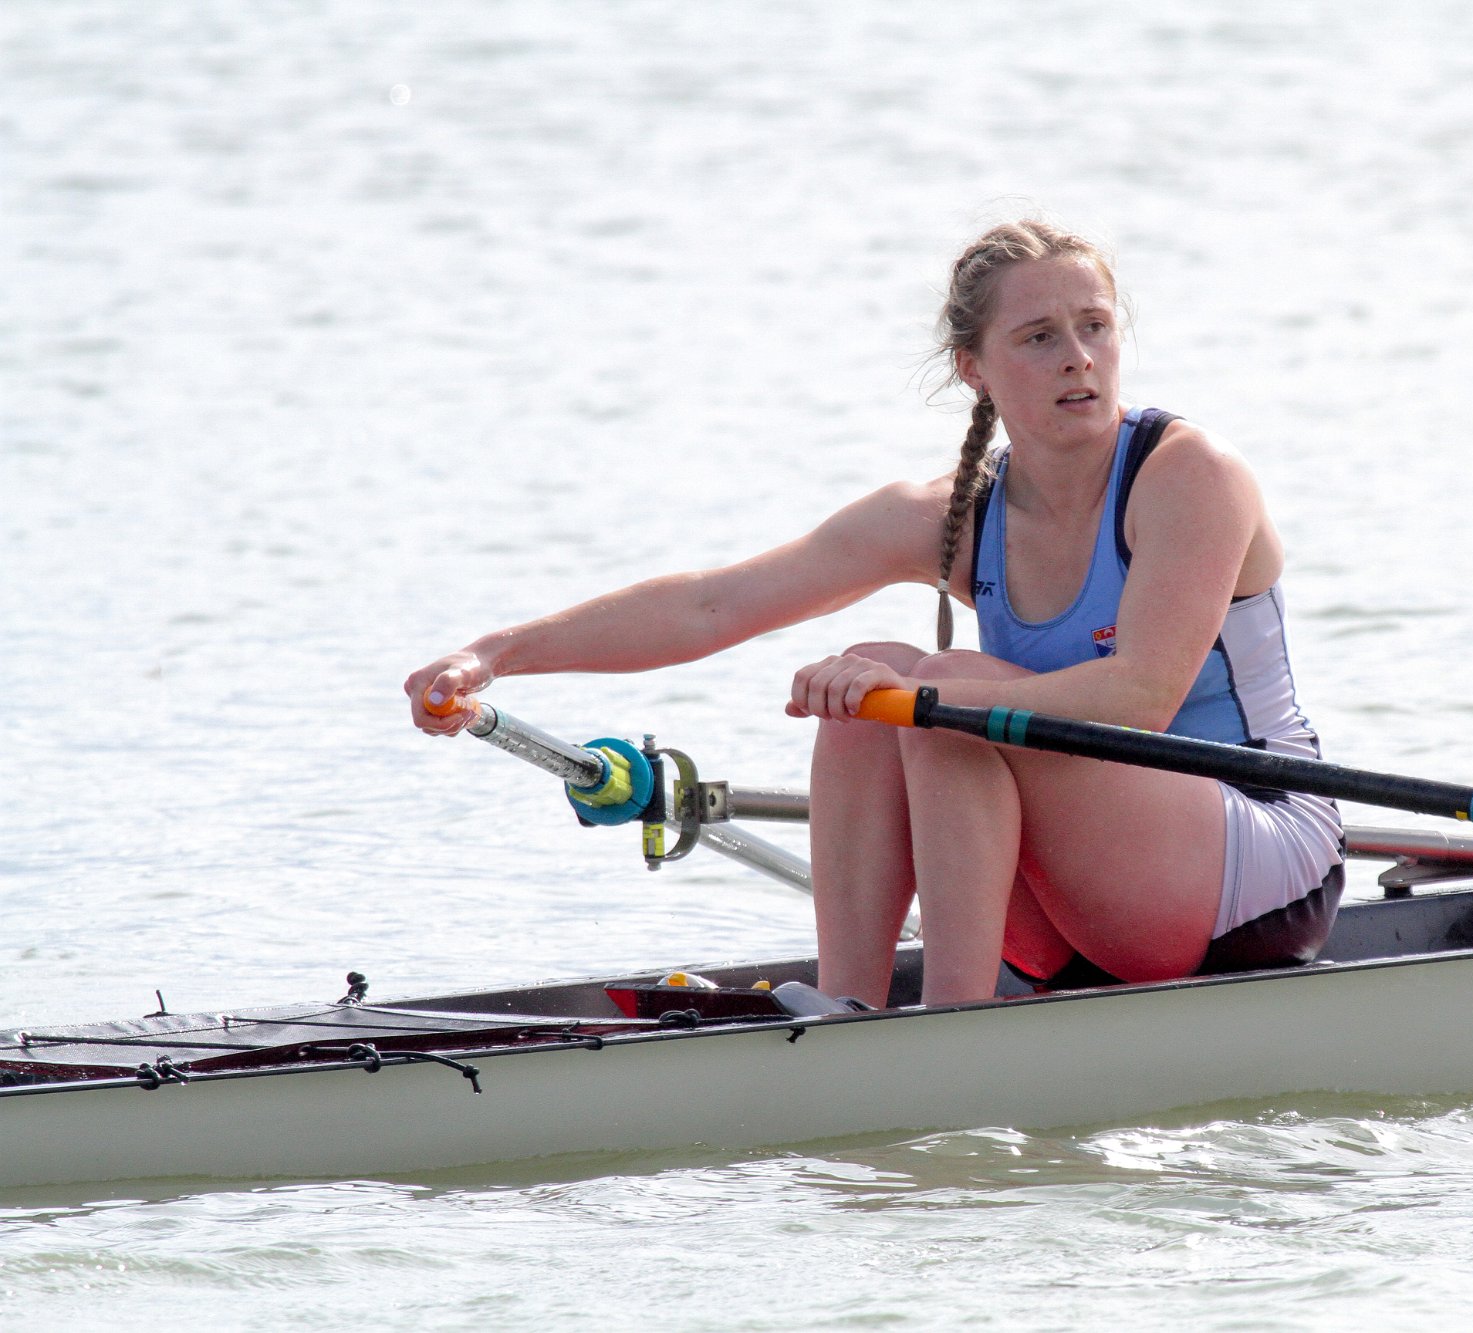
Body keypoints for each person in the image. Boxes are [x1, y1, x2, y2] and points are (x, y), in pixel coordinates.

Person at [405, 219, 1343, 1009]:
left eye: (1095, 326)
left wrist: (930, 700)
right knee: (874, 682)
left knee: (935, 690)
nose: (1079, 358)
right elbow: (712, 604)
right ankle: (853, 1015)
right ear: (975, 367)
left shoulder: (1189, 477)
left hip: (1256, 870)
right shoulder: (949, 512)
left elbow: (1140, 695)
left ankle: (951, 1029)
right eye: (1040, 337)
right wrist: (496, 654)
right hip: (1090, 897)